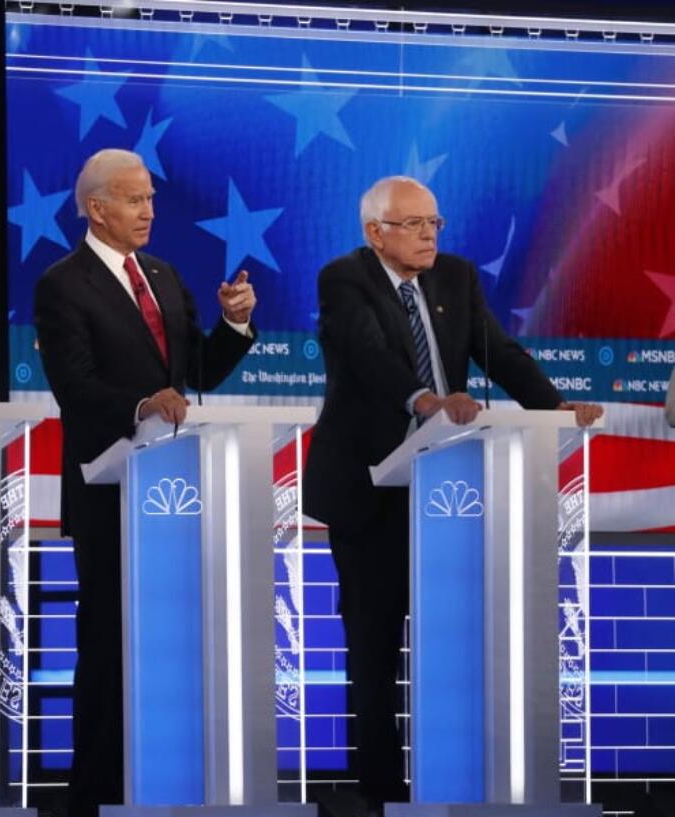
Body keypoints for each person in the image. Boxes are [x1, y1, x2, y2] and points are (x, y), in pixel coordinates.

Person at [302, 175, 603, 813]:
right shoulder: (344, 279)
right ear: (374, 232)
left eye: (434, 223)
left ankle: (456, 781)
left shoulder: (457, 278)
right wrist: (426, 402)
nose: (428, 235)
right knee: (375, 645)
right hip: (369, 489)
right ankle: (381, 791)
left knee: (454, 639)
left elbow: (501, 353)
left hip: (451, 495)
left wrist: (553, 407)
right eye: (413, 224)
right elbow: (369, 352)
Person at [32, 148, 256, 817]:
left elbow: (202, 374)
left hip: (173, 499)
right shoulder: (62, 284)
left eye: (151, 199)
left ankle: (166, 779)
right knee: (108, 641)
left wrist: (235, 322)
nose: (149, 211)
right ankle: (95, 791)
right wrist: (141, 405)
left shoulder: (163, 274)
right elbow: (74, 385)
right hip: (108, 492)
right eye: (135, 200)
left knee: (171, 637)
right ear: (98, 207)